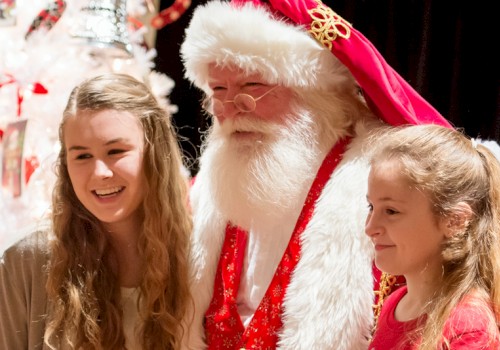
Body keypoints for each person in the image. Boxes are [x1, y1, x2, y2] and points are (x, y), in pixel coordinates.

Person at [180, 0, 451, 349]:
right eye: (218, 90)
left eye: (252, 86)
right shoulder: (206, 187)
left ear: (311, 91)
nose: (231, 108)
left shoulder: (379, 188)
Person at [0, 73, 192, 350]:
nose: (99, 173)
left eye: (115, 151)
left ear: (154, 153)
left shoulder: (199, 256)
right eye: (82, 156)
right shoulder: (27, 260)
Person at [366, 124, 500, 349]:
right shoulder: (396, 303)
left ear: (454, 221)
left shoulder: (469, 328)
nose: (370, 228)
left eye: (391, 211)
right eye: (371, 206)